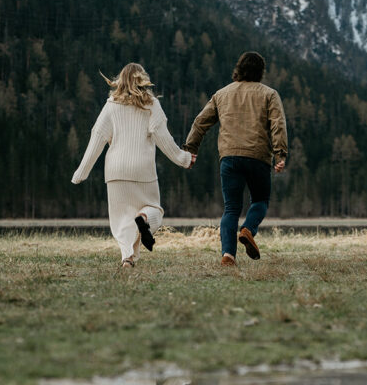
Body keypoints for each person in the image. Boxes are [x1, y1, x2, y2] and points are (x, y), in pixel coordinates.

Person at [71, 63, 195, 268]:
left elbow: (97, 138)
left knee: (122, 221)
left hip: (116, 171)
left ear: (120, 81)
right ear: (142, 80)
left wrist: (81, 172)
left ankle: (127, 258)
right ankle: (144, 218)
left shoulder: (111, 105)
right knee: (154, 209)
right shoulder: (151, 104)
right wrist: (183, 158)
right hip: (142, 169)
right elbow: (163, 138)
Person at [184, 51, 287, 266]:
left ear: (238, 69)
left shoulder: (222, 94)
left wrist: (190, 148)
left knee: (231, 208)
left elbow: (200, 122)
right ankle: (248, 229)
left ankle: (228, 255)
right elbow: (278, 124)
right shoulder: (269, 94)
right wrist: (280, 153)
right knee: (260, 200)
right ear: (261, 72)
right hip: (258, 157)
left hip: (229, 158)